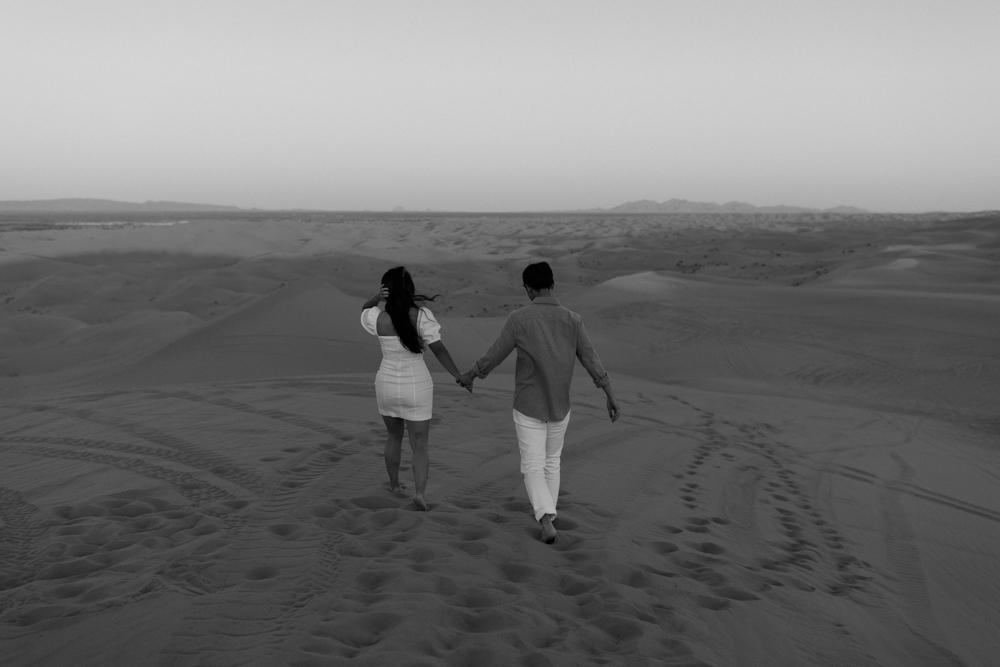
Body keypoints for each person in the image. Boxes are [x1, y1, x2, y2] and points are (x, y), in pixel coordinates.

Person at [459, 261, 620, 543]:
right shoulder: (573, 320)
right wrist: (609, 393)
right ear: (552, 285)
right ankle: (549, 515)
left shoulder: (519, 319)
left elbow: (495, 354)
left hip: (528, 405)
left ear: (529, 289)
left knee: (532, 465)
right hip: (560, 405)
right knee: (552, 462)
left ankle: (545, 519)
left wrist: (472, 374)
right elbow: (591, 359)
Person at [361, 266, 469, 510]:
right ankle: (420, 494)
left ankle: (395, 485)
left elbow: (364, 309)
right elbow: (438, 349)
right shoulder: (422, 316)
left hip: (386, 384)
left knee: (393, 436)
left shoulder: (378, 317)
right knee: (419, 444)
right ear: (409, 289)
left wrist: (376, 298)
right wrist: (458, 376)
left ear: (386, 291)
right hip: (416, 385)